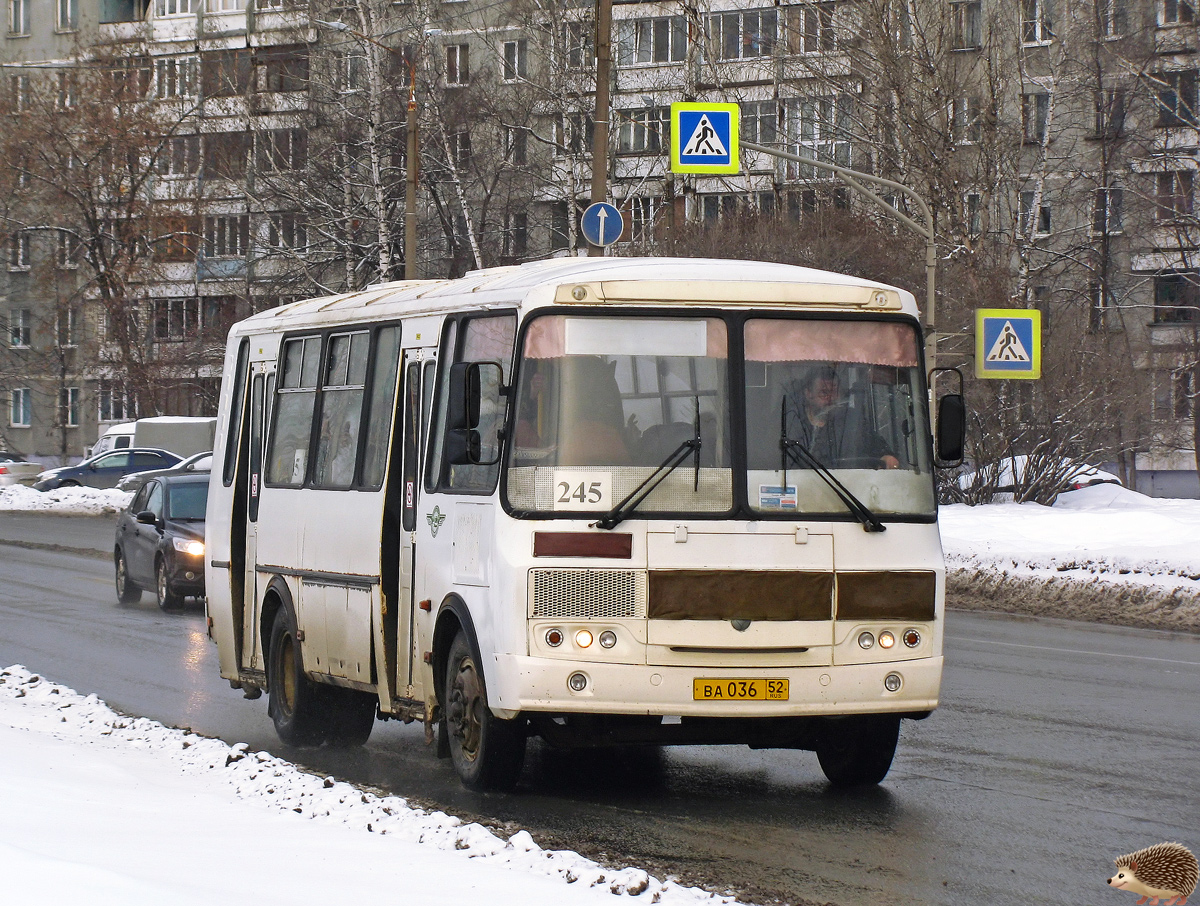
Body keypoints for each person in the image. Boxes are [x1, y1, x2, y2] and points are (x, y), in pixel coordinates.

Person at [783, 365, 900, 469]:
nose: (830, 398)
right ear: (808, 394)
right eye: (824, 392)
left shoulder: (852, 422)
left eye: (834, 392)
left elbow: (882, 452)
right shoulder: (790, 422)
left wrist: (887, 458)